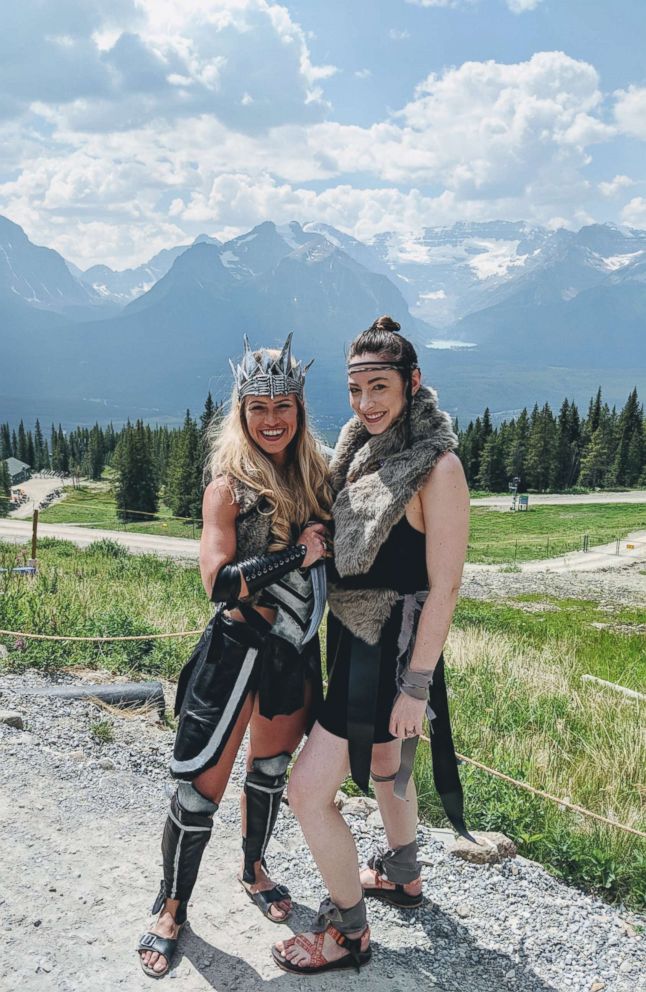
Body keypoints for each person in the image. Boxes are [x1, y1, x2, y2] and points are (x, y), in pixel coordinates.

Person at [273, 315, 472, 976]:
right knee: (388, 769)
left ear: (414, 383)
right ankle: (403, 872)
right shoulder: (363, 450)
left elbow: (444, 588)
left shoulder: (437, 469)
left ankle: (349, 931)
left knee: (307, 791)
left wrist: (417, 686)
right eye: (357, 389)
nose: (366, 403)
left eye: (380, 386)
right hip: (357, 641)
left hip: (390, 656)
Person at [138, 334, 331, 978]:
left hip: (293, 653)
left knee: (270, 769)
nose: (272, 420)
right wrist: (297, 555)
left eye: (283, 406)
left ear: (300, 410)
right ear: (241, 412)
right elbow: (219, 582)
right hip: (236, 651)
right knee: (198, 792)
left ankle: (254, 868)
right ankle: (171, 906)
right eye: (258, 407)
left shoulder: (317, 477)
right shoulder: (226, 486)